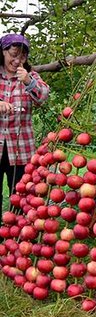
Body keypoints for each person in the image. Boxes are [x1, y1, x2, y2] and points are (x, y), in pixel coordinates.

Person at [0, 34, 49, 220]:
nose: (17, 60)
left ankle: (17, 236)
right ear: (3, 52)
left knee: (20, 195)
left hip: (20, 149)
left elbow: (43, 97)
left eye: (22, 56)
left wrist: (28, 81)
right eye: (13, 54)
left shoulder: (31, 76)